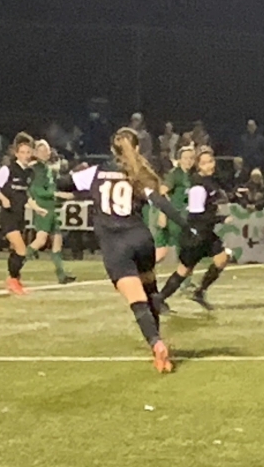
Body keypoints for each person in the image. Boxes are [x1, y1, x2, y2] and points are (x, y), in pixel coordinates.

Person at [65, 126, 183, 373]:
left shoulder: (95, 172)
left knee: (137, 301)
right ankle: (158, 344)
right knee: (150, 291)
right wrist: (185, 225)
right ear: (137, 148)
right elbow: (161, 202)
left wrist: (74, 177)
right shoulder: (140, 174)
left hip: (116, 244)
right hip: (141, 239)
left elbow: (64, 183)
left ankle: (156, 344)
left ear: (112, 149)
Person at [160, 146, 233, 310]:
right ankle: (159, 299)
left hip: (206, 233)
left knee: (222, 258)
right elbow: (197, 216)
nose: (209, 165)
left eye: (211, 161)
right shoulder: (197, 186)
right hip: (196, 234)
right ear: (198, 166)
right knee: (184, 270)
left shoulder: (211, 180)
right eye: (204, 163)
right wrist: (221, 219)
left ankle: (200, 292)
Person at [0, 133, 39, 295]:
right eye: (22, 152)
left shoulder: (29, 173)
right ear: (16, 154)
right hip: (8, 215)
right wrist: (4, 199)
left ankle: (15, 279)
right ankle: (12, 280)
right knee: (21, 250)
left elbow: (26, 195)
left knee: (16, 250)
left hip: (19, 215)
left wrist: (37, 208)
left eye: (28, 152)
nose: (25, 155)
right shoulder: (8, 170)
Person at [25, 140, 76, 284]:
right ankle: (15, 267)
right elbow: (37, 190)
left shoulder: (46, 168)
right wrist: (58, 195)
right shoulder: (36, 169)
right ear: (35, 153)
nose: (45, 153)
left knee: (57, 240)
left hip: (51, 207)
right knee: (40, 240)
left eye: (46, 150)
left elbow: (51, 185)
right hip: (44, 207)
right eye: (41, 150)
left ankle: (61, 275)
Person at [153, 141, 197, 266]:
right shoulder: (175, 174)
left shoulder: (193, 175)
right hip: (176, 214)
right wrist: (163, 212)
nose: (189, 161)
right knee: (180, 242)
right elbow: (162, 191)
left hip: (189, 214)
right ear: (180, 160)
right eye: (186, 158)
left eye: (191, 158)